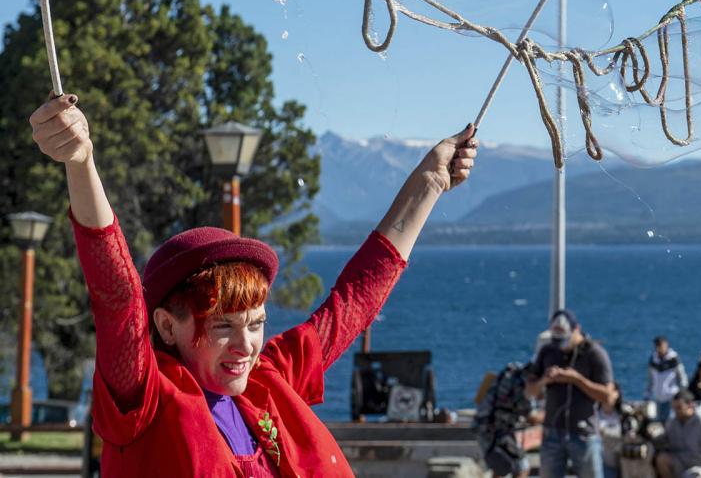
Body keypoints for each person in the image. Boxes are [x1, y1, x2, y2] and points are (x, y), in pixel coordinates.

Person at [30, 94, 477, 475]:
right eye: (222, 326)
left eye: (256, 322)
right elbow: (117, 297)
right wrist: (81, 161)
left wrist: (429, 183)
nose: (246, 345)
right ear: (167, 326)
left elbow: (355, 301)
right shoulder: (143, 399)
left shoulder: (270, 380)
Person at [527, 309, 617, 478]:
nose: (561, 346)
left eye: (565, 341)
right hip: (552, 431)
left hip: (583, 433)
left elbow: (608, 397)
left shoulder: (595, 353)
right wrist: (544, 381)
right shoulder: (547, 351)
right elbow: (530, 391)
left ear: (577, 330)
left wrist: (576, 379)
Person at [475, 362, 535, 478]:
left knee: (500, 467)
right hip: (497, 431)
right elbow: (531, 416)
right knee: (522, 466)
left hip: (482, 425)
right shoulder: (522, 385)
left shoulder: (509, 374)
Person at [655, 391, 701, 478]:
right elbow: (664, 441)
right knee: (662, 459)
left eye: (679, 408)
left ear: (690, 405)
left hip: (699, 467)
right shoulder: (672, 422)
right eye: (674, 408)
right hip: (680, 463)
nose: (676, 411)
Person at [647, 336, 688, 423]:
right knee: (659, 421)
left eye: (661, 345)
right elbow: (651, 378)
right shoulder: (653, 359)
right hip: (658, 396)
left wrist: (682, 392)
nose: (659, 348)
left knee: (670, 421)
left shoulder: (673, 358)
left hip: (671, 396)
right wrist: (648, 393)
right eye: (657, 346)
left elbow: (682, 376)